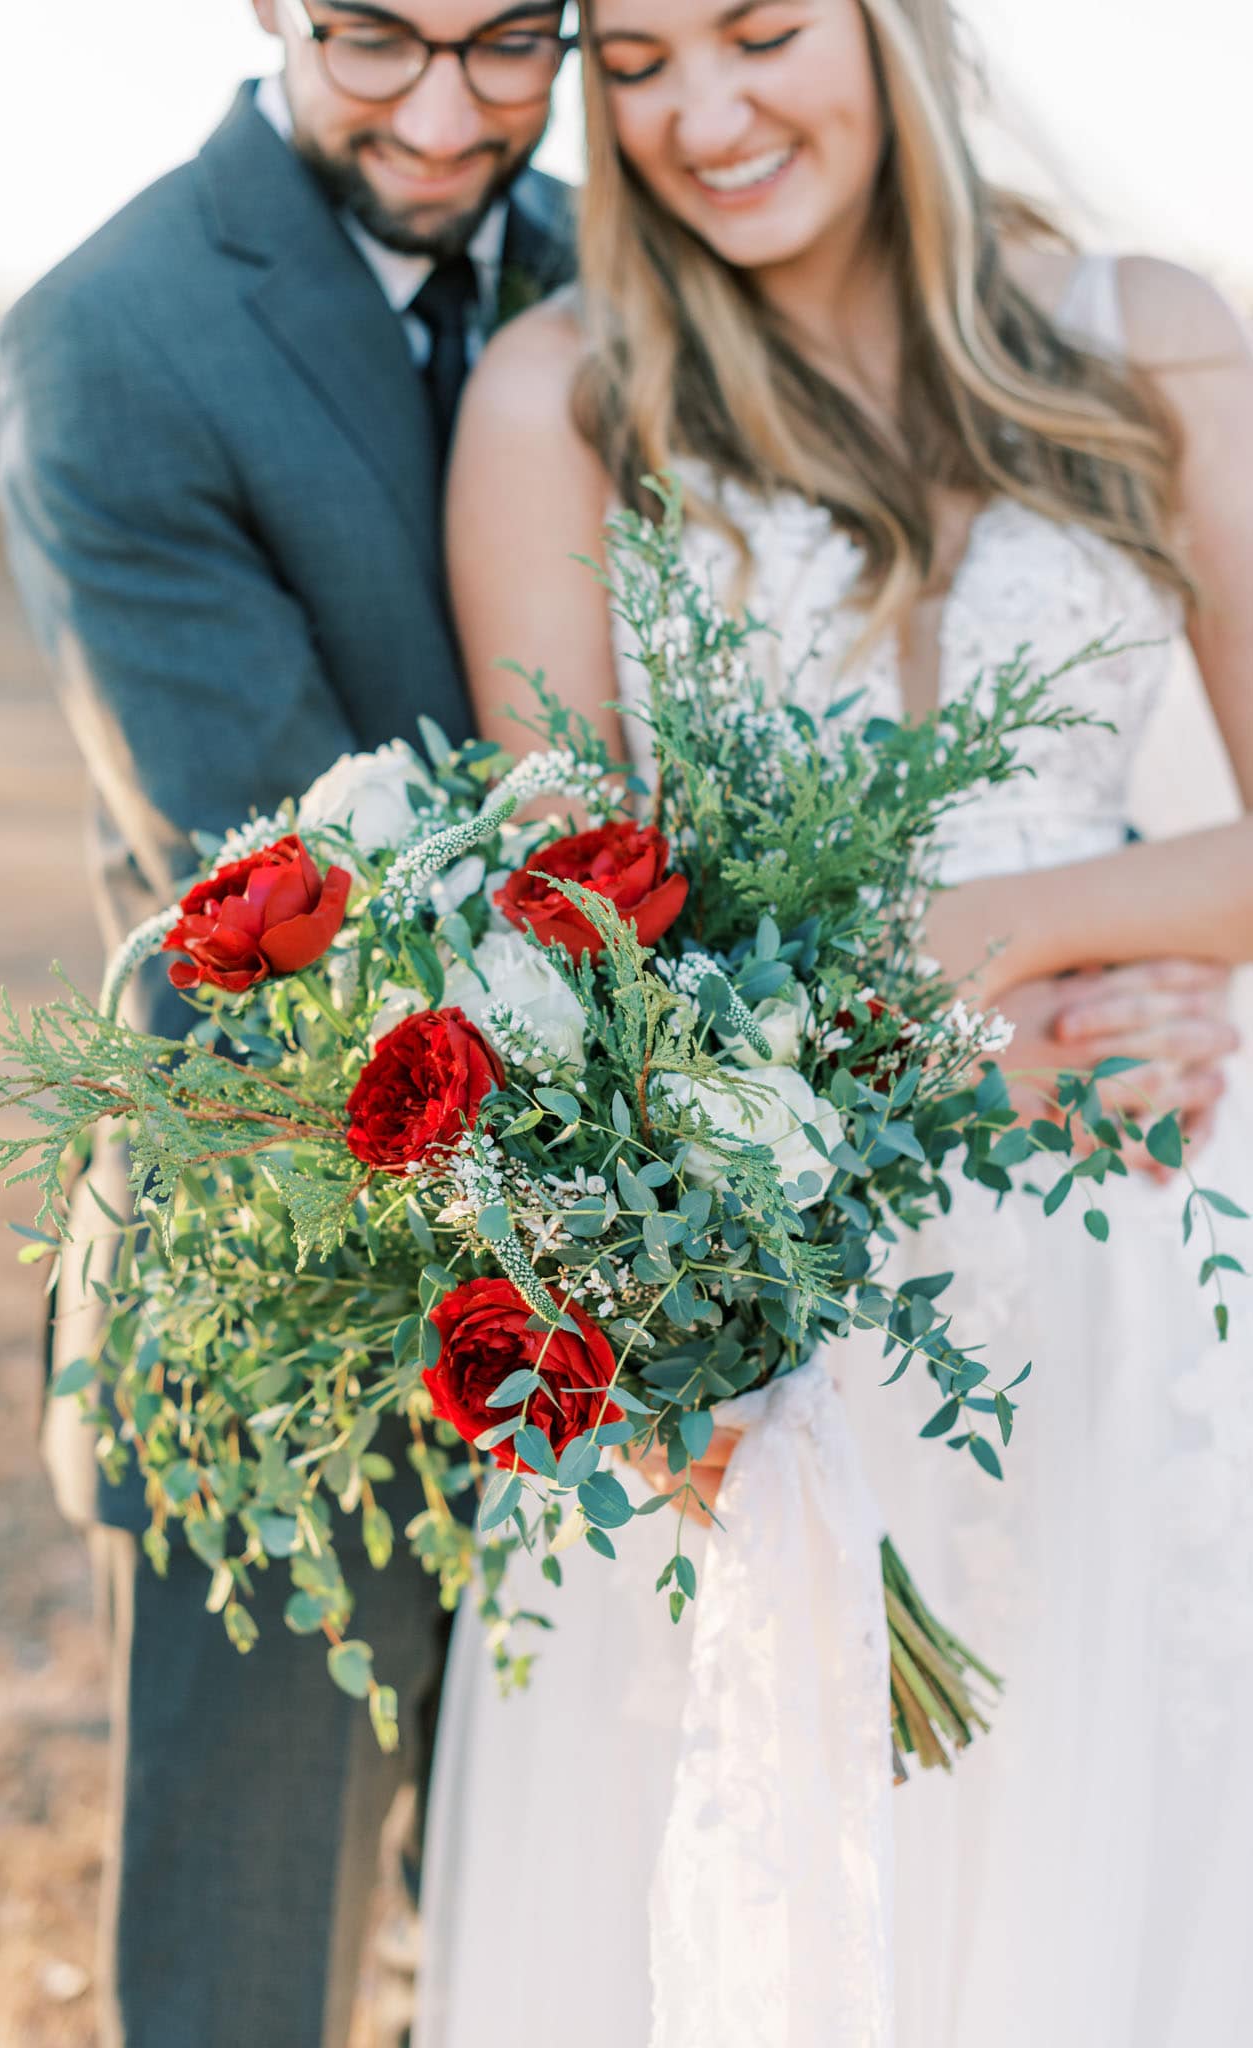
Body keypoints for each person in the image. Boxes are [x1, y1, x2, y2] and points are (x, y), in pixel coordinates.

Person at [416, 0, 1253, 2042]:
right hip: (761, 1297)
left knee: (1112, 1887)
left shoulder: (1152, 333)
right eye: (635, 65)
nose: (704, 114)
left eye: (766, 32)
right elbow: (568, 931)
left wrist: (1027, 921)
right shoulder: (570, 395)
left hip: (1131, 1265)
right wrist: (961, 1022)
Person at [0, 6, 574, 2043]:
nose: (444, 113)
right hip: (288, 1277)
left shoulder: (632, 276)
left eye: (511, 46)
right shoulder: (113, 330)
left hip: (634, 1291)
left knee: (575, 1934)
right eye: (377, 40)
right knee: (256, 1980)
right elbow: (278, 858)